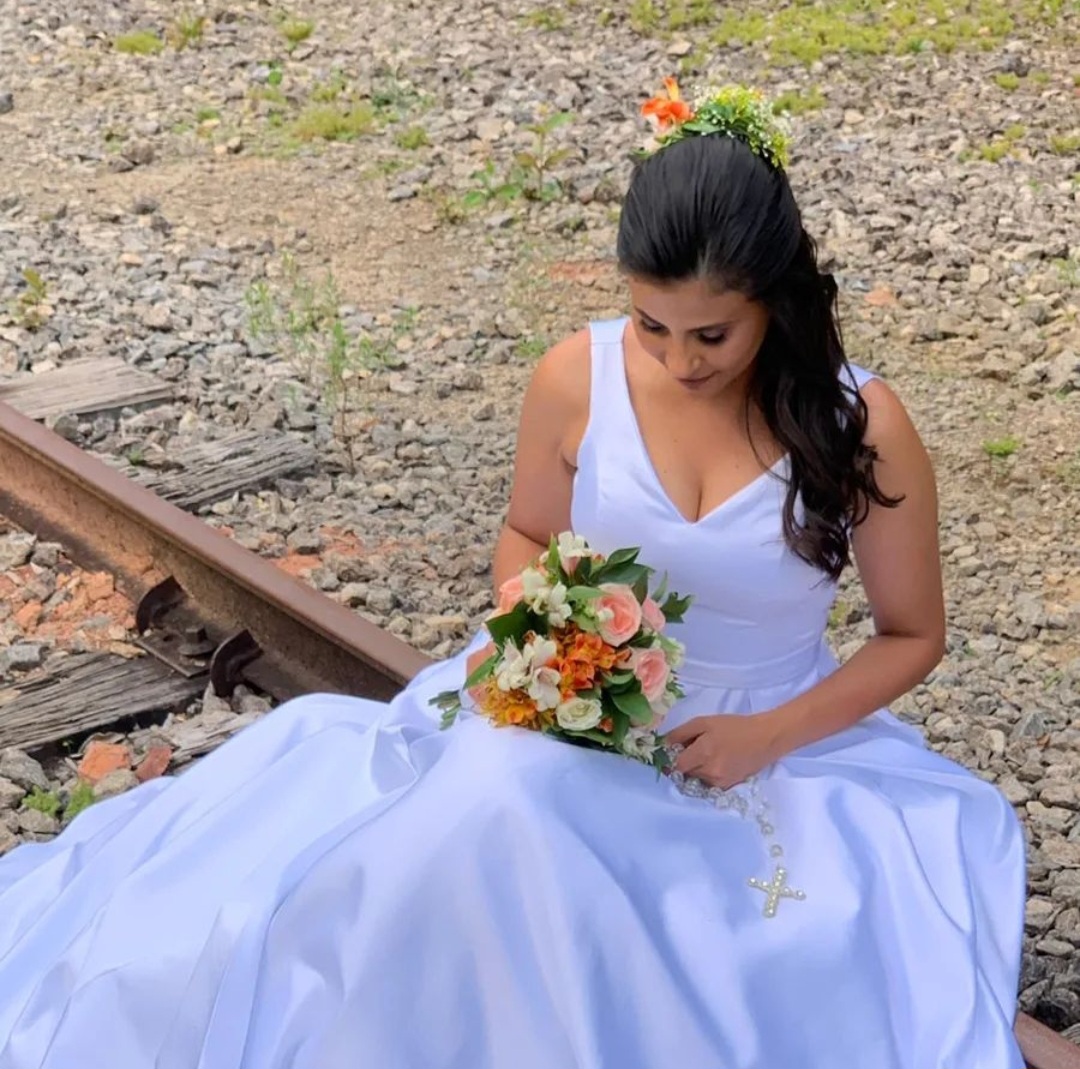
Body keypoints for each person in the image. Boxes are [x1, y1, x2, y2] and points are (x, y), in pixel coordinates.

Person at [0, 82, 1025, 1069]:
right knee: (488, 816)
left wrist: (764, 735)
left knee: (753, 959)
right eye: (652, 325)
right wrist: (539, 631)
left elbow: (910, 634)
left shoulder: (861, 424)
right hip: (579, 702)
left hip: (779, 741)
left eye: (713, 333)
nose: (678, 360)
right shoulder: (576, 378)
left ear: (776, 300)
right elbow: (528, 533)